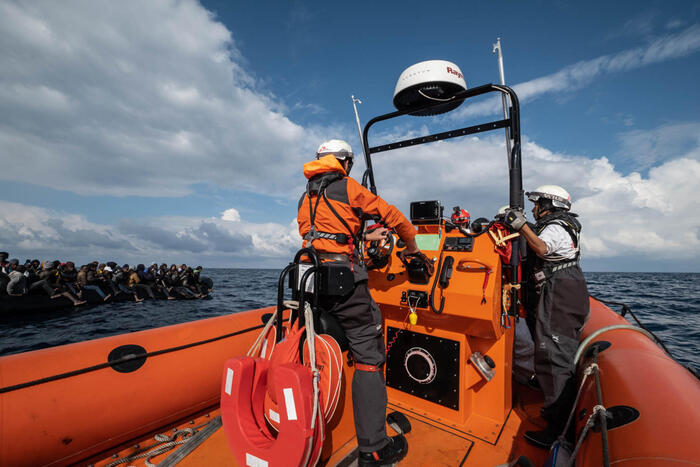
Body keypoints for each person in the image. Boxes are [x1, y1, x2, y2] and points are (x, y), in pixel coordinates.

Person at [297, 139, 432, 466]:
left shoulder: (308, 195)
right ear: (345, 163)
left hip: (309, 279)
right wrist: (413, 251)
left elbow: (326, 233)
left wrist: (365, 239)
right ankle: (374, 448)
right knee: (369, 357)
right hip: (344, 281)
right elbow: (395, 218)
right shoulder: (347, 186)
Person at [504, 185, 590, 449]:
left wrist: (520, 224)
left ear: (548, 204)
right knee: (552, 355)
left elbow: (541, 248)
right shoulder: (559, 225)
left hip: (560, 294)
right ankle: (555, 410)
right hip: (559, 292)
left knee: (554, 358)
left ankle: (558, 433)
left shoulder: (556, 227)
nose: (533, 209)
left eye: (536, 204)